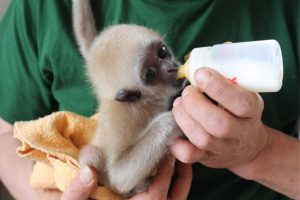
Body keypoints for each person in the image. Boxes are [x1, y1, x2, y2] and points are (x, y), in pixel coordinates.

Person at [0, 0, 298, 199]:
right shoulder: (42, 9)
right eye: (152, 75)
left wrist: (260, 153)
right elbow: (4, 134)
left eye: (164, 52)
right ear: (129, 96)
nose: (170, 66)